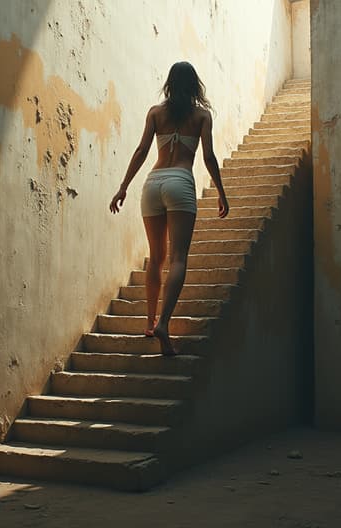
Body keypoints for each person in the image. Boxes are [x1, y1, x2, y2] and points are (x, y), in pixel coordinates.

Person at [109, 61, 229, 356]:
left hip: (152, 183)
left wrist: (123, 186)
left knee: (156, 257)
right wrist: (222, 192)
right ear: (194, 85)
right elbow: (209, 157)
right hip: (179, 181)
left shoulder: (155, 113)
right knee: (178, 258)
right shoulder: (202, 116)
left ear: (170, 84)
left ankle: (149, 322)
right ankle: (164, 323)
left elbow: (141, 150)